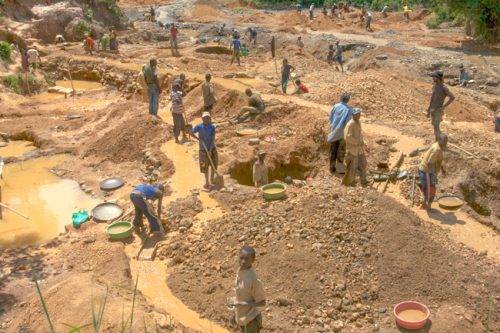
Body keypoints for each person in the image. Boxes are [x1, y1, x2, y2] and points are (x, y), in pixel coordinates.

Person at [232, 246, 266, 333]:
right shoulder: (240, 271)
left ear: (253, 260)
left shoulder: (254, 279)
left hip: (251, 322)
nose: (243, 261)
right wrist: (235, 313)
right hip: (242, 320)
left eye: (246, 259)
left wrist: (243, 304)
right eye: (241, 258)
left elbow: (262, 303)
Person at [418, 134, 447, 210]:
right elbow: (430, 163)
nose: (445, 144)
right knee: (430, 189)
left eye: (446, 142)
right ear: (439, 141)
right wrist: (432, 176)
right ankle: (427, 205)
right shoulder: (437, 149)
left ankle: (425, 204)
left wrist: (441, 168)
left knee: (428, 188)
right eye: (444, 142)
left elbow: (436, 160)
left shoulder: (437, 145)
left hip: (425, 169)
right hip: (426, 171)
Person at [327, 92, 352, 173]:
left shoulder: (335, 106)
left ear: (340, 98)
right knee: (341, 151)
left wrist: (332, 127)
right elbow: (348, 123)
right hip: (342, 133)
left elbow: (330, 118)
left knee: (333, 150)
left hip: (333, 131)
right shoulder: (349, 109)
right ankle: (340, 169)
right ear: (348, 100)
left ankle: (332, 168)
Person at [342, 108, 368, 186]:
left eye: (359, 114)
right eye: (357, 114)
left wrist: (364, 143)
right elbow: (347, 137)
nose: (358, 116)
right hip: (352, 150)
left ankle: (363, 181)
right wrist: (357, 142)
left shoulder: (358, 122)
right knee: (353, 167)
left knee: (363, 164)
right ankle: (351, 182)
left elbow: (360, 135)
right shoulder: (350, 124)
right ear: (353, 115)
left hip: (360, 149)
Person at [192, 112, 218, 190]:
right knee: (205, 167)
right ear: (202, 119)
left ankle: (212, 180)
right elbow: (191, 132)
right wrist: (198, 139)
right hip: (203, 151)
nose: (206, 119)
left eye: (207, 118)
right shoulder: (199, 127)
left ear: (210, 119)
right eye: (204, 118)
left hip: (212, 149)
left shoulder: (212, 127)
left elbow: (213, 139)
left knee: (214, 165)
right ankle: (207, 182)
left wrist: (210, 150)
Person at [427, 70, 455, 140]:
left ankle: (440, 140)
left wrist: (443, 107)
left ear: (437, 78)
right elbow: (432, 97)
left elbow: (452, 97)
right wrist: (429, 109)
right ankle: (438, 140)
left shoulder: (444, 88)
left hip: (438, 110)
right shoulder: (435, 86)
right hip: (433, 109)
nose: (433, 78)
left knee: (436, 126)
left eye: (434, 77)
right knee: (434, 125)